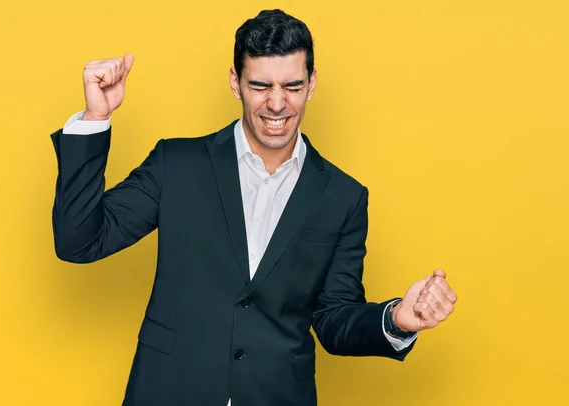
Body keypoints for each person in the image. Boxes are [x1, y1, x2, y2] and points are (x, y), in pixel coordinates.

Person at [50, 9, 457, 406]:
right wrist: (95, 118)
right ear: (236, 82)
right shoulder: (177, 165)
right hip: (170, 390)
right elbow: (79, 241)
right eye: (260, 86)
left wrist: (397, 319)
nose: (277, 104)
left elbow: (334, 319)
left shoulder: (344, 197)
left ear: (312, 83)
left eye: (292, 86)